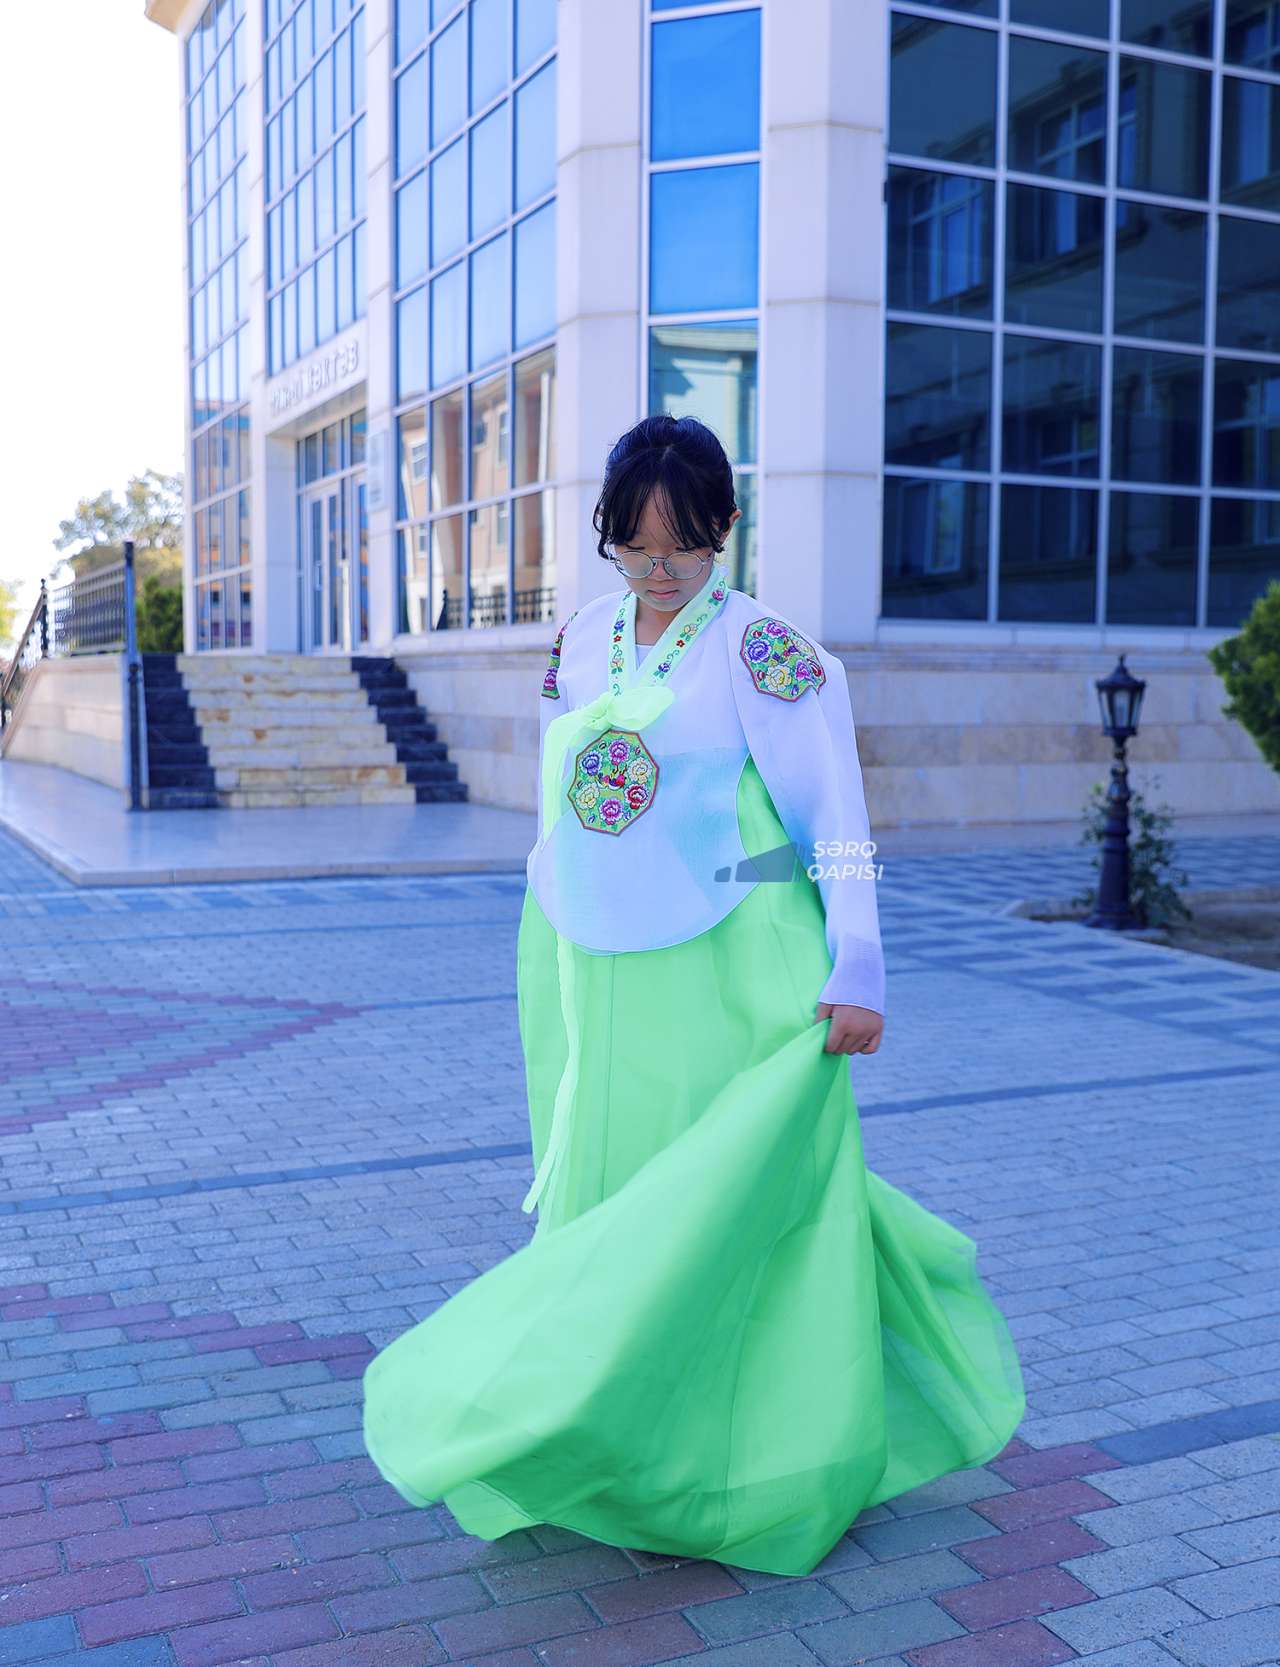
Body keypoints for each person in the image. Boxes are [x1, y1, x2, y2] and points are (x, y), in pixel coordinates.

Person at [362, 414, 1026, 1578]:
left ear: (726, 527)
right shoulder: (579, 638)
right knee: (622, 1196)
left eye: (681, 543)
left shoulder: (766, 649)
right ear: (607, 537)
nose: (657, 567)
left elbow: (835, 817)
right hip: (602, 966)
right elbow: (560, 795)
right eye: (633, 542)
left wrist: (856, 966)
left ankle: (757, 1451)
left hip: (739, 961)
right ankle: (612, 1434)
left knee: (733, 1196)